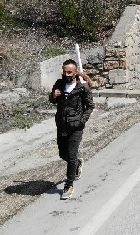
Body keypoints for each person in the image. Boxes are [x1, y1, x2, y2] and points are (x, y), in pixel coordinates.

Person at [49, 58, 94, 200]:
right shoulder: (59, 84)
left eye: (69, 72)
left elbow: (90, 106)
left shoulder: (83, 88)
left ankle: (68, 185)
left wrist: (82, 121)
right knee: (63, 155)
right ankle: (78, 163)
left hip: (76, 127)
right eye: (64, 71)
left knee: (71, 156)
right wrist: (53, 96)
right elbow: (53, 100)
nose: (66, 74)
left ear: (75, 73)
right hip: (62, 126)